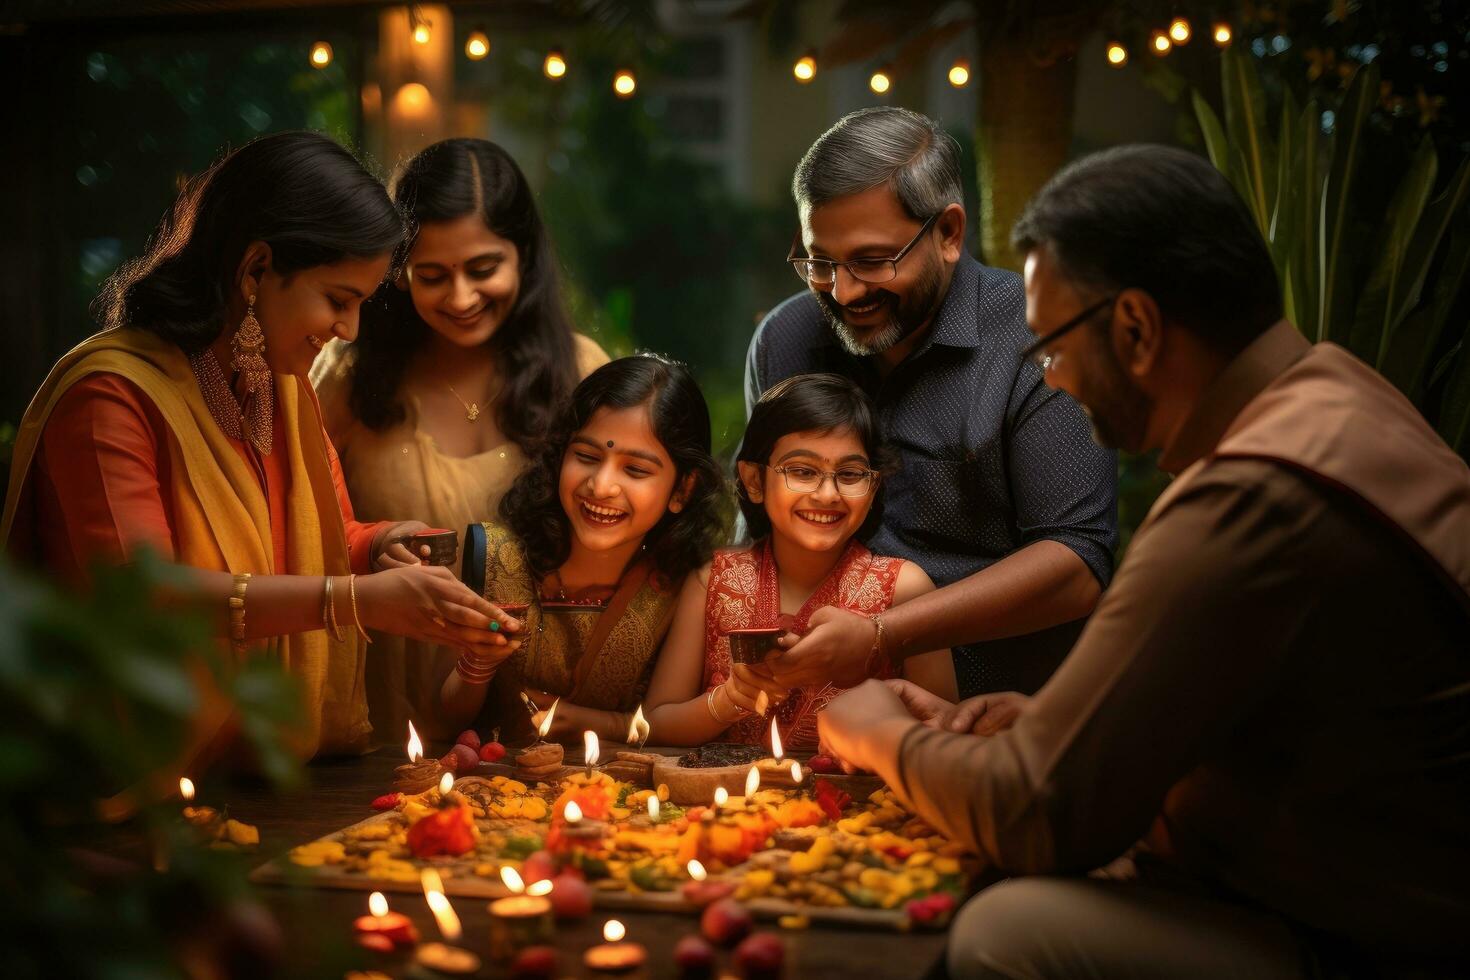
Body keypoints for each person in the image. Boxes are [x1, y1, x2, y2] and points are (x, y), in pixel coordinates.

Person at [816, 144, 1470, 978]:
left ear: (1136, 328)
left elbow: (1033, 814)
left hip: (1370, 935)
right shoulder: (1345, 396)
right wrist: (1053, 727)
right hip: (1344, 876)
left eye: (1050, 348)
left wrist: (881, 738)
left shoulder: (1251, 495)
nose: (1051, 382)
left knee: (1002, 930)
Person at [1, 131, 512, 774]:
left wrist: (380, 546)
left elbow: (318, 540)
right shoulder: (112, 397)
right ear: (256, 270)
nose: (348, 330)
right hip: (132, 782)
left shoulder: (281, 390)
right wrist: (356, 600)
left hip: (266, 769)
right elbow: (145, 596)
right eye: (338, 300)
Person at [746, 107, 1117, 700]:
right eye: (819, 262)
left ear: (948, 233)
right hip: (805, 716)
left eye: (872, 261)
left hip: (997, 721)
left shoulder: (1036, 335)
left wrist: (880, 635)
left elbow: (1075, 565)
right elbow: (760, 538)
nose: (843, 292)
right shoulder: (786, 341)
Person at [312, 137, 608, 742]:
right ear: (396, 273)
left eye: (482, 269)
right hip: (376, 701)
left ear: (523, 256)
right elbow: (294, 524)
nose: (462, 298)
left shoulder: (578, 371)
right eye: (432, 276)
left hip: (537, 703)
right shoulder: (349, 372)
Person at [644, 373, 955, 748]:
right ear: (755, 480)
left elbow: (945, 732)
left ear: (873, 487)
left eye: (850, 474)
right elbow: (657, 722)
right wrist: (728, 700)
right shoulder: (713, 582)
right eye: (803, 471)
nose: (827, 494)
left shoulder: (905, 589)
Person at [440, 354, 728, 744]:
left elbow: (664, 726)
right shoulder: (493, 558)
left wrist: (592, 723)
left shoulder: (683, 585)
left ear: (682, 490)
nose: (601, 485)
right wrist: (478, 662)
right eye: (587, 457)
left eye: (635, 470)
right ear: (561, 456)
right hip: (492, 791)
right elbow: (440, 721)